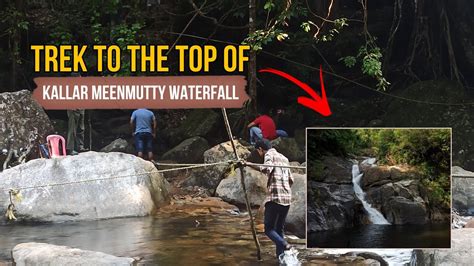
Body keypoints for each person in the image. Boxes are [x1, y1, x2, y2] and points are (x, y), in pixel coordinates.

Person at [254, 139, 293, 259]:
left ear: (260, 149)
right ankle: (281, 258)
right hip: (287, 198)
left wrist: (248, 165)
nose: (259, 154)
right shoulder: (284, 158)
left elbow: (267, 168)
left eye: (258, 151)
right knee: (279, 229)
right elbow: (291, 180)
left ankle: (284, 244)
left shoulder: (269, 154)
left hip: (275, 197)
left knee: (268, 229)